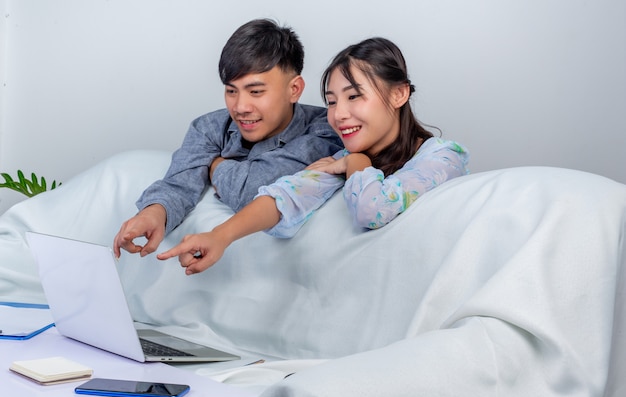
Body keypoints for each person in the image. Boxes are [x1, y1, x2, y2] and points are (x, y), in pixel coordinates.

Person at [157, 37, 470, 274]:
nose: (339, 114)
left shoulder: (442, 156)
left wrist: (356, 163)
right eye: (332, 102)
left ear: (399, 94)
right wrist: (219, 237)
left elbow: (372, 210)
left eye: (354, 97)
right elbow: (285, 196)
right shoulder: (338, 158)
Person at [112, 18, 342, 258]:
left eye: (256, 92)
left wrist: (216, 165)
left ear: (294, 89)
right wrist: (154, 213)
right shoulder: (209, 126)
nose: (240, 106)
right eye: (231, 91)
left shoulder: (325, 130)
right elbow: (179, 183)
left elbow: (250, 193)